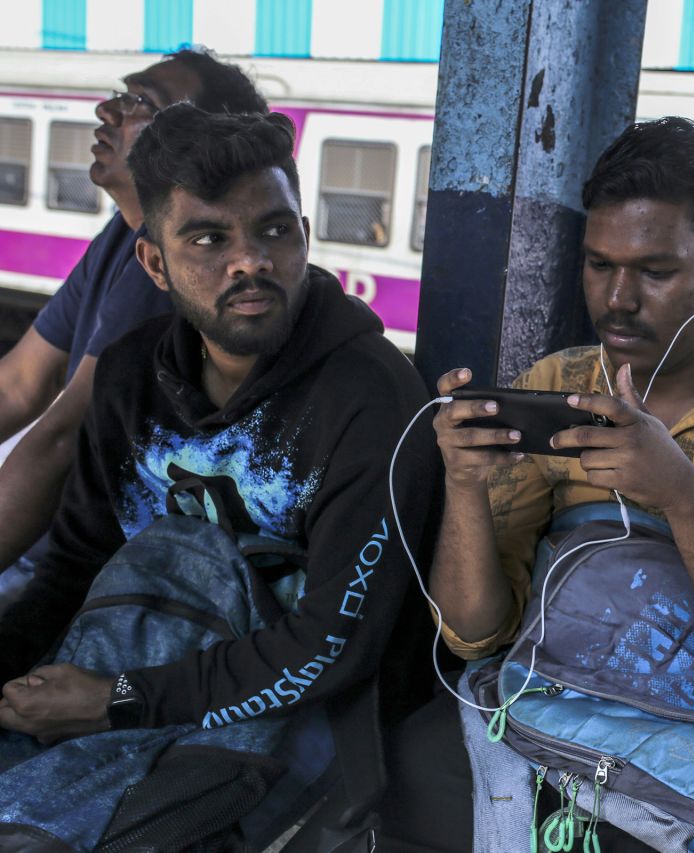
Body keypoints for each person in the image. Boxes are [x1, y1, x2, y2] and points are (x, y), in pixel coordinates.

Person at [400, 116, 694, 849]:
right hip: (564, 697)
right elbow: (474, 632)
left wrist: (681, 494)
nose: (617, 298)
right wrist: (464, 485)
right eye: (598, 264)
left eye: (654, 272)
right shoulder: (557, 384)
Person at [0, 105, 434, 754]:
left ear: (305, 236)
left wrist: (117, 701)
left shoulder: (370, 397)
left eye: (275, 230)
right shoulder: (129, 376)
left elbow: (332, 646)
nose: (250, 262)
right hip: (128, 698)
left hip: (301, 731)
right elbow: (74, 569)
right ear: (153, 262)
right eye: (208, 239)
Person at [0, 49, 268, 610]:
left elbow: (59, 439)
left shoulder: (172, 271)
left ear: (192, 138)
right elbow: (19, 384)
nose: (107, 112)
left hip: (89, 577)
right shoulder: (124, 236)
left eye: (139, 103)